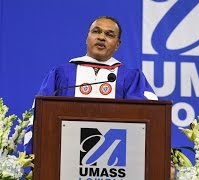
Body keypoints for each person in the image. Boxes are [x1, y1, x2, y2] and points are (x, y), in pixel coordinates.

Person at [24, 16, 158, 152]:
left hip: (116, 159)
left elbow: (148, 118)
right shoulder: (62, 74)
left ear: (117, 44)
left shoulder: (131, 78)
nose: (101, 37)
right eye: (96, 31)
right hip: (64, 154)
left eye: (109, 34)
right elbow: (40, 115)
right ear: (87, 37)